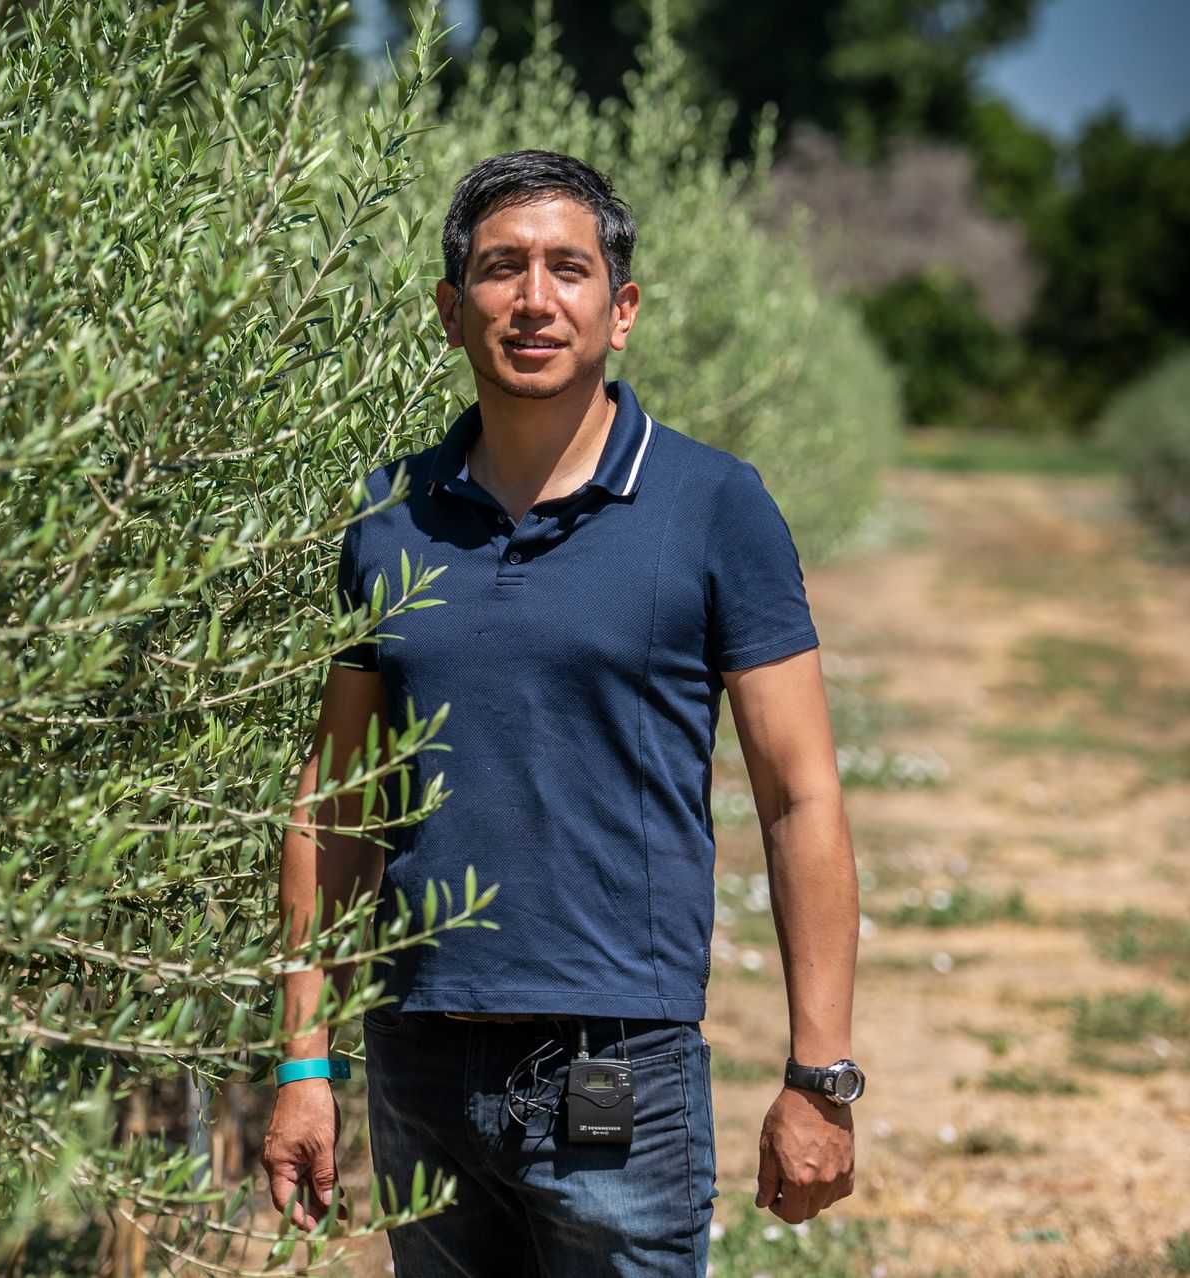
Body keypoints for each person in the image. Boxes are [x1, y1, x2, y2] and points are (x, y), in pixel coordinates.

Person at [260, 150, 861, 1277]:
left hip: (619, 1067)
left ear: (620, 308)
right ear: (451, 310)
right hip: (419, 1063)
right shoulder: (386, 520)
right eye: (501, 269)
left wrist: (818, 1073)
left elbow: (800, 795)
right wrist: (304, 1065)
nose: (535, 299)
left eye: (568, 269)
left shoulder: (714, 506)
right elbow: (333, 805)